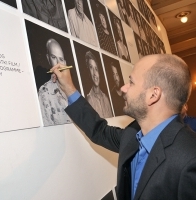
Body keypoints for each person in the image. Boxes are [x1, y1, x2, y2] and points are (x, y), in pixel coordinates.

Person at [50, 53, 196, 200]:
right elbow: (100, 131)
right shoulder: (133, 134)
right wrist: (69, 89)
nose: (124, 88)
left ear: (153, 94)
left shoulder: (190, 159)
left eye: (131, 82)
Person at [38, 38, 72, 126]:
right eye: (53, 57)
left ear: (65, 63)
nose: (57, 63)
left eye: (61, 59)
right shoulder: (44, 92)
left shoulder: (71, 89)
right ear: (48, 58)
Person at [85, 51, 113, 118]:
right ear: (88, 72)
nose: (95, 74)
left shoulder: (105, 98)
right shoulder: (89, 99)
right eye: (91, 68)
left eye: (96, 69)